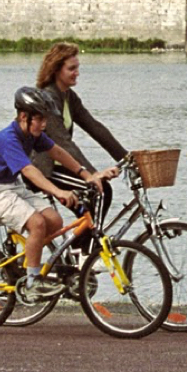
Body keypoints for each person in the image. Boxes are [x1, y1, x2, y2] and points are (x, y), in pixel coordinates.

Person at [0, 86, 111, 300]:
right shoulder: (9, 139)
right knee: (37, 223)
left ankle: (28, 264)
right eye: (39, 119)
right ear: (23, 117)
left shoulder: (33, 134)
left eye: (45, 119)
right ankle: (32, 282)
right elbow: (29, 170)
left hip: (11, 187)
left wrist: (86, 174)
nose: (44, 124)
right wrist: (58, 191)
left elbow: (57, 151)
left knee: (54, 221)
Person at [33, 42, 128, 238]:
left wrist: (126, 158)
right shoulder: (48, 98)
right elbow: (63, 141)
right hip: (44, 169)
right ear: (56, 69)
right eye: (71, 68)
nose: (77, 73)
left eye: (78, 68)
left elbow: (94, 127)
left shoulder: (68, 97)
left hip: (62, 165)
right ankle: (85, 252)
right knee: (101, 191)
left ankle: (81, 254)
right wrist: (91, 175)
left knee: (95, 198)